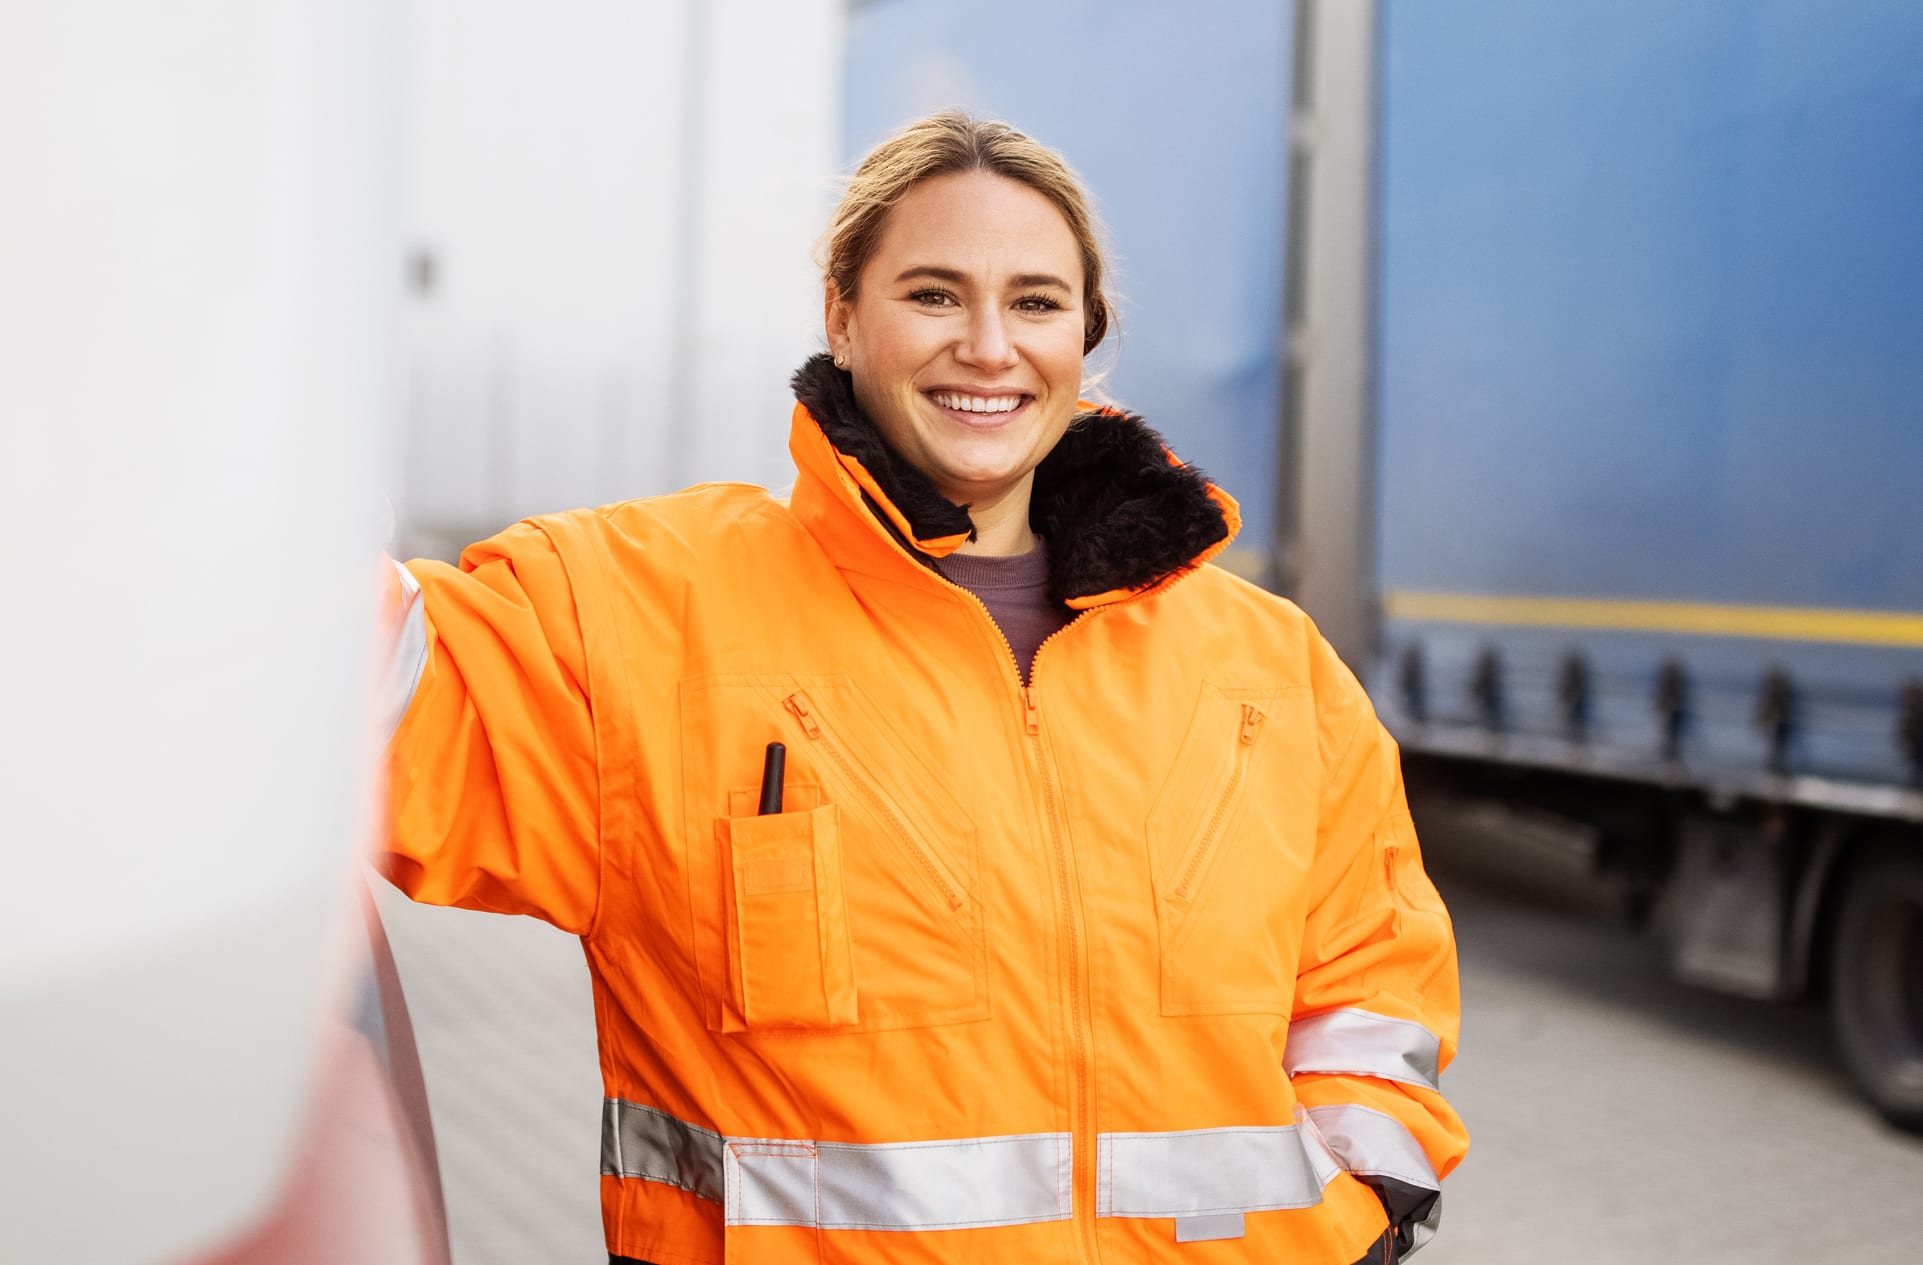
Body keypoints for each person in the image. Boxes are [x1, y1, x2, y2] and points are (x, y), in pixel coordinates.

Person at [378, 111, 1467, 1265]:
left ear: (1086, 337)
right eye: (935, 294)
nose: (990, 346)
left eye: (1038, 302)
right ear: (844, 316)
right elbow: (327, 691)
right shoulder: (638, 617)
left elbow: (1370, 976)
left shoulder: (1267, 663)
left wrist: (1365, 1209)